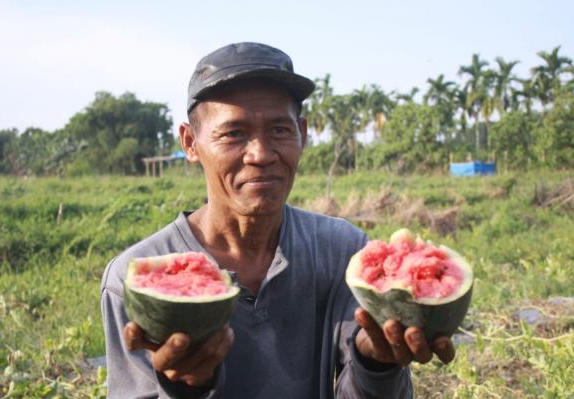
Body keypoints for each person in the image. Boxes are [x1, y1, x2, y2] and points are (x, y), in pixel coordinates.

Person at [100, 42, 455, 398]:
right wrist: (186, 388)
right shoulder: (128, 280)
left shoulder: (343, 251)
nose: (261, 154)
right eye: (234, 133)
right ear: (191, 143)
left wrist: (376, 363)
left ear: (301, 132)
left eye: (280, 130)